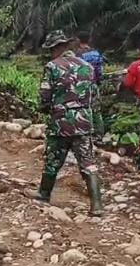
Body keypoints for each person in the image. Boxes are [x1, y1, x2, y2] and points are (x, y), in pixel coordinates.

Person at [34, 30, 104, 216]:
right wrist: (97, 123)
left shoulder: (52, 66)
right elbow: (95, 97)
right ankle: (97, 205)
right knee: (87, 162)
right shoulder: (87, 66)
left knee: (53, 160)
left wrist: (45, 109)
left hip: (61, 123)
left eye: (51, 50)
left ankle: (43, 195)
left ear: (56, 48)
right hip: (84, 122)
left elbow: (44, 96)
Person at [76, 31, 105, 138]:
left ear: (78, 40)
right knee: (96, 110)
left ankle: (86, 133)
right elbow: (100, 72)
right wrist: (98, 82)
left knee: (83, 109)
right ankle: (99, 134)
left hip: (82, 86)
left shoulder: (77, 55)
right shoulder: (96, 54)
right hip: (94, 84)